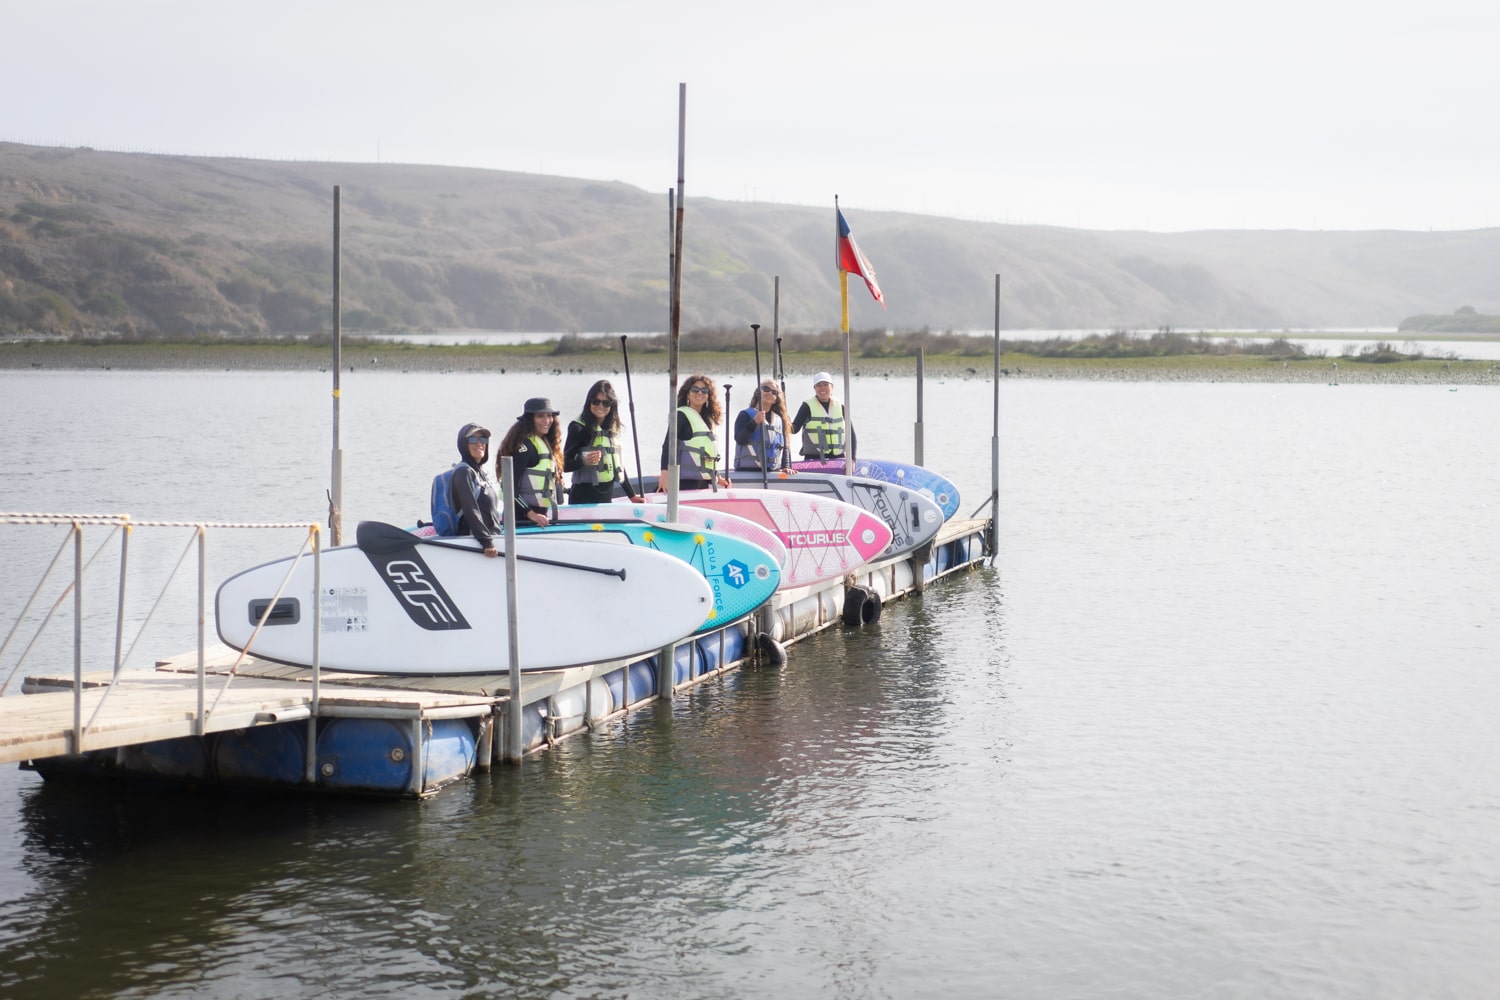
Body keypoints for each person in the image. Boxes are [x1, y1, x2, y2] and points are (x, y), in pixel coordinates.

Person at [563, 380, 644, 504]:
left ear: (612, 405)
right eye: (596, 401)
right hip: (582, 499)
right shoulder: (578, 428)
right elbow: (563, 465)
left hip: (606, 500)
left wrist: (632, 496)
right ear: (589, 402)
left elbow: (618, 466)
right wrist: (583, 461)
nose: (600, 406)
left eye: (606, 403)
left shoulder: (611, 428)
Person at [497, 397, 563, 527]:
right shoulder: (526, 447)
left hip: (539, 518)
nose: (547, 421)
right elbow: (508, 487)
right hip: (519, 520)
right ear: (530, 419)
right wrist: (531, 514)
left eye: (549, 416)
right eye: (540, 416)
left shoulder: (544, 442)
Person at [658, 373, 729, 491]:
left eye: (704, 390)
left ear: (708, 395)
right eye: (695, 389)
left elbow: (707, 453)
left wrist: (717, 476)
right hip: (683, 482)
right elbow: (668, 445)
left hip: (701, 483)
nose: (699, 393)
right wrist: (664, 473)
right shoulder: (680, 415)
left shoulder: (707, 421)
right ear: (688, 393)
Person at [451, 422, 503, 557]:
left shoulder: (480, 472)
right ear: (463, 444)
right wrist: (486, 542)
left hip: (491, 538)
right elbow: (470, 509)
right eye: (473, 439)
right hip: (474, 543)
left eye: (483, 439)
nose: (479, 443)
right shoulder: (464, 472)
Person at [790, 370, 857, 460]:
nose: (822, 388)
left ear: (832, 386)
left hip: (838, 459)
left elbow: (851, 434)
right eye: (819, 385)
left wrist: (852, 458)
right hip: (813, 459)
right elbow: (794, 429)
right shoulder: (806, 407)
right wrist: (784, 420)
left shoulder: (841, 407)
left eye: (826, 385)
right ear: (814, 388)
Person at [733, 378, 795, 474]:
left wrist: (786, 466)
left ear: (776, 399)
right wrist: (754, 422)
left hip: (771, 472)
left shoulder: (779, 420)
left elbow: (785, 447)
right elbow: (739, 439)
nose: (769, 393)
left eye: (774, 392)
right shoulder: (745, 415)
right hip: (747, 472)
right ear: (758, 393)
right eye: (766, 389)